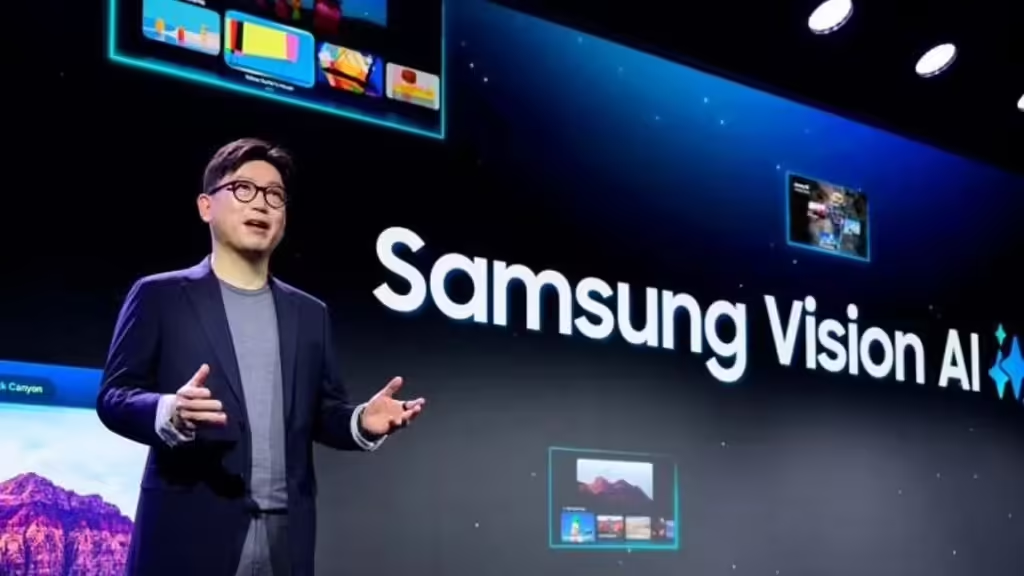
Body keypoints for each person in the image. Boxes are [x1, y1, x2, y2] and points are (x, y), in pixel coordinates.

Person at [96, 138, 425, 576]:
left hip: (285, 540)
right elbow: (114, 396)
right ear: (205, 207)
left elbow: (322, 411)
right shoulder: (159, 296)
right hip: (189, 533)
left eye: (274, 195)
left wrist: (360, 422)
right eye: (243, 189)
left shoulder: (310, 314)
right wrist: (168, 411)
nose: (261, 203)